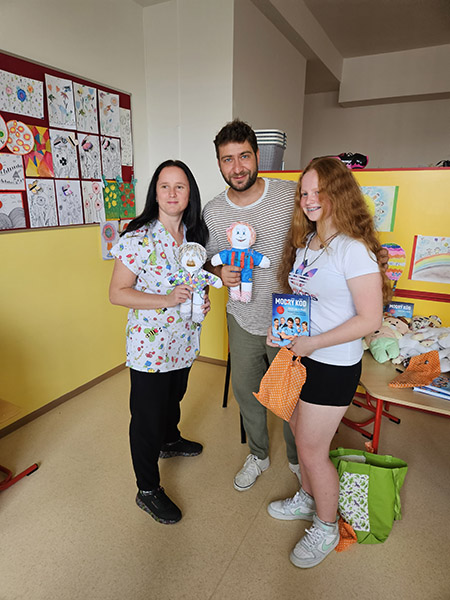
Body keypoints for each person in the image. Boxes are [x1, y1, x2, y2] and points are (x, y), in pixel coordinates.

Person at [266, 156, 389, 568]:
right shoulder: (308, 244)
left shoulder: (353, 250)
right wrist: (283, 332)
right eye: (304, 193)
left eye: (318, 191)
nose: (309, 199)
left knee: (312, 449)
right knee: (299, 434)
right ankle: (308, 497)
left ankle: (326, 525)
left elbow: (370, 319)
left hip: (333, 364)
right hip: (302, 356)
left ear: (339, 193)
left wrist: (313, 342)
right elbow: (307, 303)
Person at [109, 159, 209, 524]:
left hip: (183, 341)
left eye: (179, 186)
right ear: (155, 192)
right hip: (150, 347)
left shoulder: (194, 237)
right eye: (164, 186)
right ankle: (147, 489)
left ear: (189, 194)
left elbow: (196, 282)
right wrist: (167, 299)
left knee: (173, 398)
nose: (171, 193)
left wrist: (202, 301)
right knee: (147, 418)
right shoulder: (137, 238)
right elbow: (118, 293)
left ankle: (170, 440)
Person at [203, 119, 300, 492]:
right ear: (219, 164)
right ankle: (259, 454)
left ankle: (298, 460)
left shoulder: (289, 195)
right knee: (246, 391)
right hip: (242, 317)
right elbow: (207, 261)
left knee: (290, 395)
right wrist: (219, 271)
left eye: (244, 156)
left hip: (288, 317)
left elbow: (320, 239)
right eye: (227, 160)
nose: (237, 167)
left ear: (258, 155)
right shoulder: (214, 211)